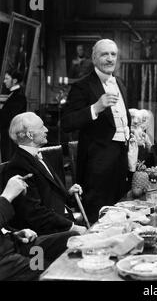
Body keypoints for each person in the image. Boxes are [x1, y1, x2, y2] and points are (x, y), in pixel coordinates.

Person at [61, 39, 131, 223]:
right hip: (96, 167)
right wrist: (96, 107)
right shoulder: (81, 86)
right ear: (94, 58)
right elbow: (66, 122)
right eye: (104, 54)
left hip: (121, 161)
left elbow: (119, 120)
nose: (110, 59)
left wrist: (133, 130)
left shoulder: (121, 83)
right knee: (98, 221)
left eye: (113, 54)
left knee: (122, 215)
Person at [3, 112, 86, 235]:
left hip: (62, 221)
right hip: (48, 232)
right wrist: (72, 227)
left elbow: (47, 194)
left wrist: (68, 195)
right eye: (42, 127)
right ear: (30, 135)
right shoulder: (19, 166)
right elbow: (33, 212)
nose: (46, 130)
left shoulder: (38, 156)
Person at [0, 175, 79, 281]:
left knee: (72, 239)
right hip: (4, 261)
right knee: (51, 271)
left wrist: (13, 233)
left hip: (13, 245)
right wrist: (7, 196)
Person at [0, 70, 27, 162]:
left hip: (11, 137)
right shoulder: (12, 94)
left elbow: (10, 117)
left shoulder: (18, 96)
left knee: (9, 161)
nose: (4, 81)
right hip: (7, 136)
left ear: (14, 81)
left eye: (7, 78)